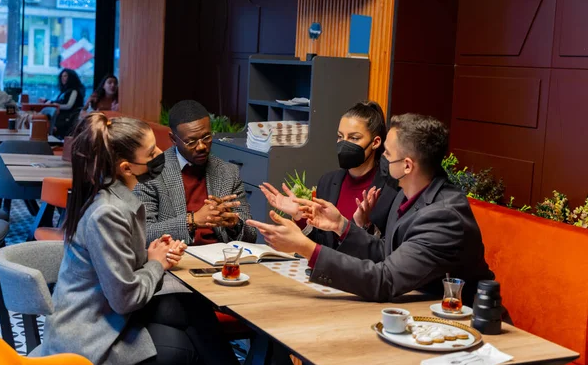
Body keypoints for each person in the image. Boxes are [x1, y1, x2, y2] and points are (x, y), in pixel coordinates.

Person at [41, 113, 240, 365]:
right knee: (187, 346)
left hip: (106, 316)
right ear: (126, 168)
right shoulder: (107, 213)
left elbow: (114, 267)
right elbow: (125, 299)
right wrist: (155, 263)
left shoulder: (114, 196)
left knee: (192, 307)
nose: (161, 154)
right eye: (151, 153)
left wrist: (151, 254)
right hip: (89, 338)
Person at [247, 113, 495, 305]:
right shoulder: (407, 193)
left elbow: (384, 279)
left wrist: (305, 247)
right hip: (416, 308)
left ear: (407, 166)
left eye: (387, 153)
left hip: (460, 322)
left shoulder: (443, 216)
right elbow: (387, 253)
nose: (381, 158)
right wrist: (341, 226)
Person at [259, 101, 399, 249]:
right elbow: (323, 245)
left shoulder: (390, 190)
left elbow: (384, 250)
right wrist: (299, 217)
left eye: (354, 138)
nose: (344, 144)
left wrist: (365, 225)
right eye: (340, 137)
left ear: (375, 142)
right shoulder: (328, 182)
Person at [134, 100, 257, 245]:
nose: (201, 147)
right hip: (176, 260)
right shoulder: (152, 173)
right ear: (173, 139)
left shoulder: (228, 172)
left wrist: (235, 224)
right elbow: (141, 234)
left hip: (220, 258)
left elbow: (251, 236)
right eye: (191, 142)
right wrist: (193, 220)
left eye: (206, 137)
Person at [41, 68, 85, 138]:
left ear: (71, 78)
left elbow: (68, 105)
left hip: (67, 118)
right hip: (60, 116)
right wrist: (48, 101)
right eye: (62, 76)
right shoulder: (64, 91)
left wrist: (55, 105)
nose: (63, 78)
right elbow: (59, 102)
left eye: (65, 76)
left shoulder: (74, 91)